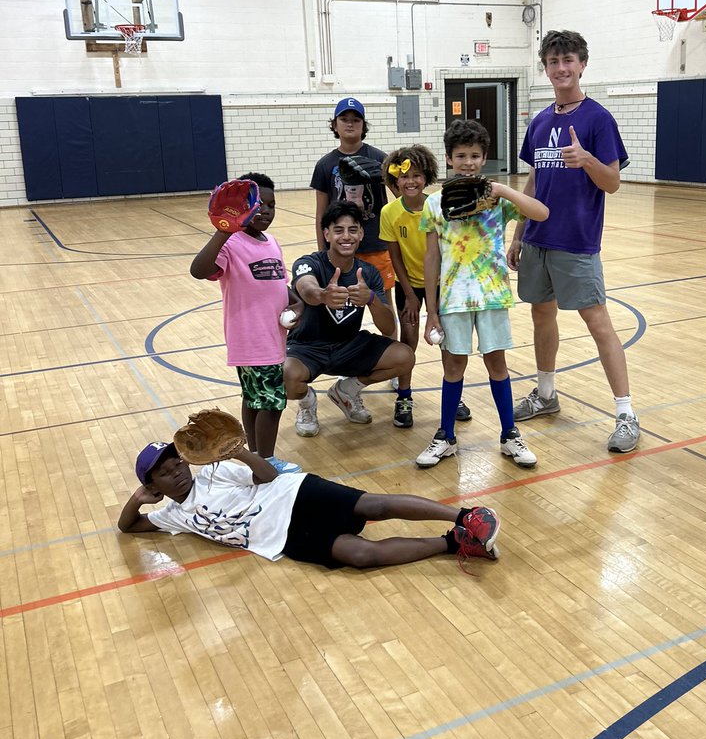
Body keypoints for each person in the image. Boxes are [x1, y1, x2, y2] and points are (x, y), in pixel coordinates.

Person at [507, 29, 639, 453]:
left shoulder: (598, 119)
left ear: (582, 64)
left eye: (568, 60)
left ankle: (626, 414)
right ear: (544, 68)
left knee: (598, 323)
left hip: (577, 241)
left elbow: (613, 183)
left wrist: (587, 161)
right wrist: (518, 232)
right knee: (541, 316)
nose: (561, 68)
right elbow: (533, 178)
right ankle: (546, 394)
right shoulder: (541, 120)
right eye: (553, 61)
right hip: (539, 240)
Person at [120, 439, 500, 568]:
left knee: (375, 506)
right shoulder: (173, 515)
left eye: (178, 463)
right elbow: (129, 526)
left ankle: (468, 515)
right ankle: (454, 543)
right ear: (154, 485)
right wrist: (138, 499)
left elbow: (267, 476)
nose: (178, 472)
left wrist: (241, 453)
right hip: (280, 539)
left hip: (294, 493)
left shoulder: (214, 472)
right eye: (166, 474)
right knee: (360, 556)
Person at [416, 119, 549, 469]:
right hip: (453, 299)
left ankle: (509, 435)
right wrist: (431, 310)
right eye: (461, 156)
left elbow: (542, 213)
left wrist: (502, 191)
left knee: (497, 364)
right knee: (453, 366)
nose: (468, 162)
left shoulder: (496, 198)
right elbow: (431, 258)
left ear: (484, 157)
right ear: (448, 159)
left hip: (492, 296)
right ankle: (445, 435)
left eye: (475, 155)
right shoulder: (433, 203)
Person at [189, 171, 301, 474]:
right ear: (243, 209)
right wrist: (223, 230)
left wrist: (296, 301)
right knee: (272, 403)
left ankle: (254, 456)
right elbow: (199, 270)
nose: (265, 210)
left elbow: (278, 282)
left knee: (253, 400)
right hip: (253, 340)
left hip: (271, 337)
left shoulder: (271, 242)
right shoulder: (231, 243)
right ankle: (266, 460)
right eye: (258, 205)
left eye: (272, 205)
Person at [284, 201, 413, 435]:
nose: (346, 236)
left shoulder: (369, 272)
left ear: (361, 233)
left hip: (348, 346)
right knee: (286, 376)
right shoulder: (308, 263)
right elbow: (306, 289)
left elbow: (387, 328)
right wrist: (323, 295)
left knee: (404, 357)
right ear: (327, 234)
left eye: (353, 230)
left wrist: (371, 298)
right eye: (338, 230)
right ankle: (307, 403)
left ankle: (347, 390)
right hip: (307, 347)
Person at [379, 144, 471, 429]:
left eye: (417, 175)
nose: (411, 182)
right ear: (395, 181)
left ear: (427, 175)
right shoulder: (389, 212)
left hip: (443, 285)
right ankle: (404, 397)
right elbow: (395, 258)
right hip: (409, 287)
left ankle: (453, 397)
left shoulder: (440, 205)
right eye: (404, 177)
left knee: (450, 343)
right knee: (408, 342)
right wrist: (408, 295)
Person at [310, 97, 395, 295]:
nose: (350, 123)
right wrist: (324, 251)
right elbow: (321, 213)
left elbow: (400, 199)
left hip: (376, 243)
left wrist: (384, 177)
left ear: (364, 125)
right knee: (341, 303)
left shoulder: (379, 158)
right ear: (335, 125)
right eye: (344, 119)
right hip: (340, 245)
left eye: (356, 119)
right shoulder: (325, 164)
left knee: (383, 302)